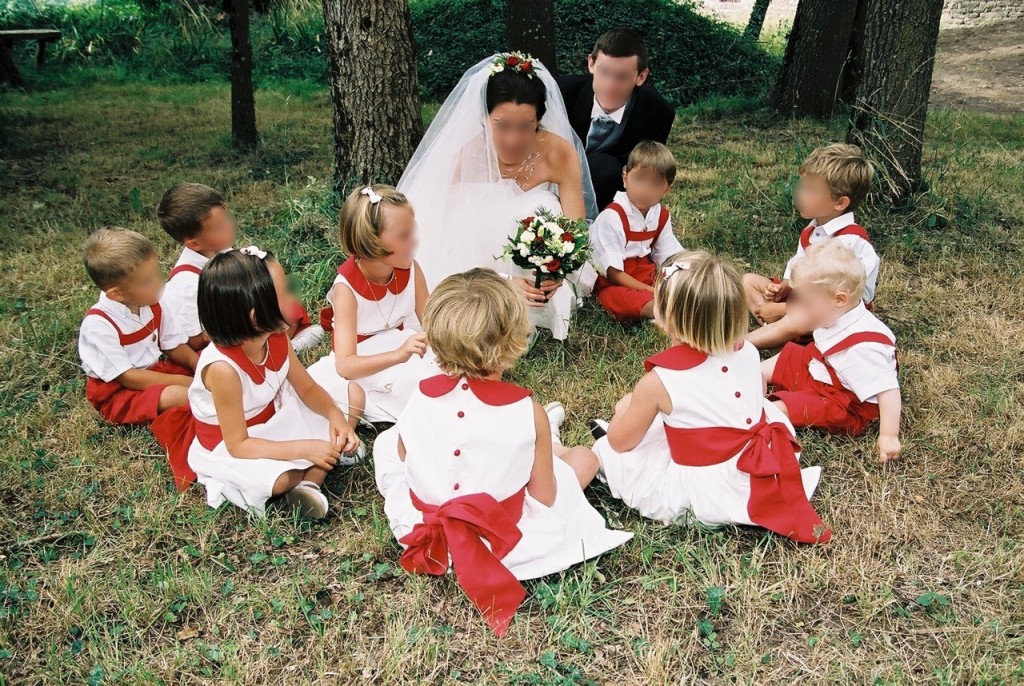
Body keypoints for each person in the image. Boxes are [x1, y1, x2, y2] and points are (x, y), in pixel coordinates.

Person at [373, 269, 632, 635]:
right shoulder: (527, 412)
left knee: (387, 443)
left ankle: (544, 445)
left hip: (426, 532)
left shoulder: (418, 397)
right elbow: (544, 497)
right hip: (502, 541)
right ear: (512, 339)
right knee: (584, 458)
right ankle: (551, 443)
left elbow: (403, 455)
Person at [591, 250, 831, 544]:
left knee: (613, 448)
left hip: (705, 488)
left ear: (665, 319)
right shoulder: (749, 352)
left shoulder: (658, 382)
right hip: (755, 456)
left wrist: (623, 409)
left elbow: (620, 441)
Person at [398, 52, 598, 342]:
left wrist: (559, 268)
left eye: (525, 126)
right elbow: (447, 240)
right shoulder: (464, 154)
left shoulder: (559, 152)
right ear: (483, 117)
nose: (513, 139)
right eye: (502, 125)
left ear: (540, 120)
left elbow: (575, 230)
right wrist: (500, 282)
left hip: (537, 273)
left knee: (541, 207)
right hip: (476, 265)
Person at [167, 247, 364, 519]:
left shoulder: (276, 337)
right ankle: (312, 472)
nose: (293, 297)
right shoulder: (223, 369)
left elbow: (306, 388)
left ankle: (310, 481)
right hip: (236, 443)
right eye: (283, 292)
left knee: (353, 394)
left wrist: (335, 417)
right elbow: (239, 445)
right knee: (279, 480)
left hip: (275, 418)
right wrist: (304, 447)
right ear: (256, 317)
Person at [306, 185, 439, 424]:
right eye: (403, 236)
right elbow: (346, 365)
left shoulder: (411, 268)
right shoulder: (346, 288)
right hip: (364, 362)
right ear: (372, 243)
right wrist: (399, 355)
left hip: (404, 345)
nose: (414, 240)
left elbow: (432, 322)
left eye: (412, 231)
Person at [762, 240, 902, 462]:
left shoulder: (864, 347)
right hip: (824, 368)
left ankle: (760, 413)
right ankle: (751, 381)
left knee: (780, 408)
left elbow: (888, 391)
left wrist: (888, 435)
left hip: (844, 402)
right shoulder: (836, 315)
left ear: (839, 299)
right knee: (785, 358)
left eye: (807, 304)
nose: (801, 309)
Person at [157, 182, 325, 352]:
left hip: (247, 323)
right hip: (225, 340)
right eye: (219, 227)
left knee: (290, 310)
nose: (230, 226)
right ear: (194, 243)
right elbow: (195, 341)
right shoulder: (187, 284)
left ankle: (280, 346)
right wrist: (243, 326)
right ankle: (284, 350)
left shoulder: (223, 251)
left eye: (227, 218)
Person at [743, 143, 878, 350]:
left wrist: (782, 309)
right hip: (803, 297)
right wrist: (784, 287)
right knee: (749, 281)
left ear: (840, 203)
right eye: (803, 186)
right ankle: (778, 328)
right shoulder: (813, 228)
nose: (800, 195)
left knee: (799, 318)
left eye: (811, 190)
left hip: (833, 312)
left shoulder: (849, 243)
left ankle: (742, 345)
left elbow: (835, 300)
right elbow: (798, 265)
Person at [78, 227, 197, 426]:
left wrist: (199, 366)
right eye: (147, 281)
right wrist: (190, 383)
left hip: (157, 372)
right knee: (181, 395)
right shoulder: (99, 325)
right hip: (123, 391)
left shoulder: (153, 302)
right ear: (117, 294)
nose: (159, 283)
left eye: (158, 273)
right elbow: (129, 378)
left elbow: (173, 345)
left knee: (214, 361)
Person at [556, 28, 676, 210]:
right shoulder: (561, 93)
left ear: (641, 77)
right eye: (604, 72)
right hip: (554, 176)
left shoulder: (657, 112)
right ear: (591, 64)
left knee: (607, 166)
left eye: (622, 77)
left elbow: (647, 170)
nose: (610, 86)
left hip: (608, 189)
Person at [592, 141, 683, 322]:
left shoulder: (660, 215)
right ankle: (662, 315)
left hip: (648, 276)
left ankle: (676, 310)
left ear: (666, 189)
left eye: (655, 183)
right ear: (625, 178)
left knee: (684, 286)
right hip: (616, 283)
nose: (645, 189)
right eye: (639, 179)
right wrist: (653, 292)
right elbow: (613, 273)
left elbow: (669, 255)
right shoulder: (612, 216)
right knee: (627, 300)